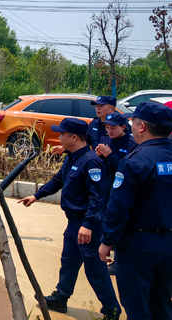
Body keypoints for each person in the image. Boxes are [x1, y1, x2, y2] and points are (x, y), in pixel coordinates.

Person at [19, 118, 120, 319]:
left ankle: (111, 311)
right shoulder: (71, 157)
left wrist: (89, 225)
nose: (60, 137)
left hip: (87, 227)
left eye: (62, 134)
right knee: (68, 263)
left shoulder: (91, 161)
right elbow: (58, 180)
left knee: (95, 271)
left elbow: (96, 198)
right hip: (73, 224)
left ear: (74, 137)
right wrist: (36, 195)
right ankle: (61, 298)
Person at [99, 101, 172, 319]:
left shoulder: (134, 161)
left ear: (142, 127)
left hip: (138, 246)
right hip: (168, 245)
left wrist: (107, 241)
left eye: (133, 122)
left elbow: (119, 206)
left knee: (137, 307)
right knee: (162, 304)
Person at [95, 112, 137, 275]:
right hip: (106, 187)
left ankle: (118, 261)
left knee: (118, 222)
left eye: (113, 128)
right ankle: (108, 250)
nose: (109, 131)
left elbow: (126, 169)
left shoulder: (131, 144)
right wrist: (100, 156)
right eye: (107, 128)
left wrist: (109, 155)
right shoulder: (107, 140)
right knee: (106, 217)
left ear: (123, 127)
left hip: (120, 188)